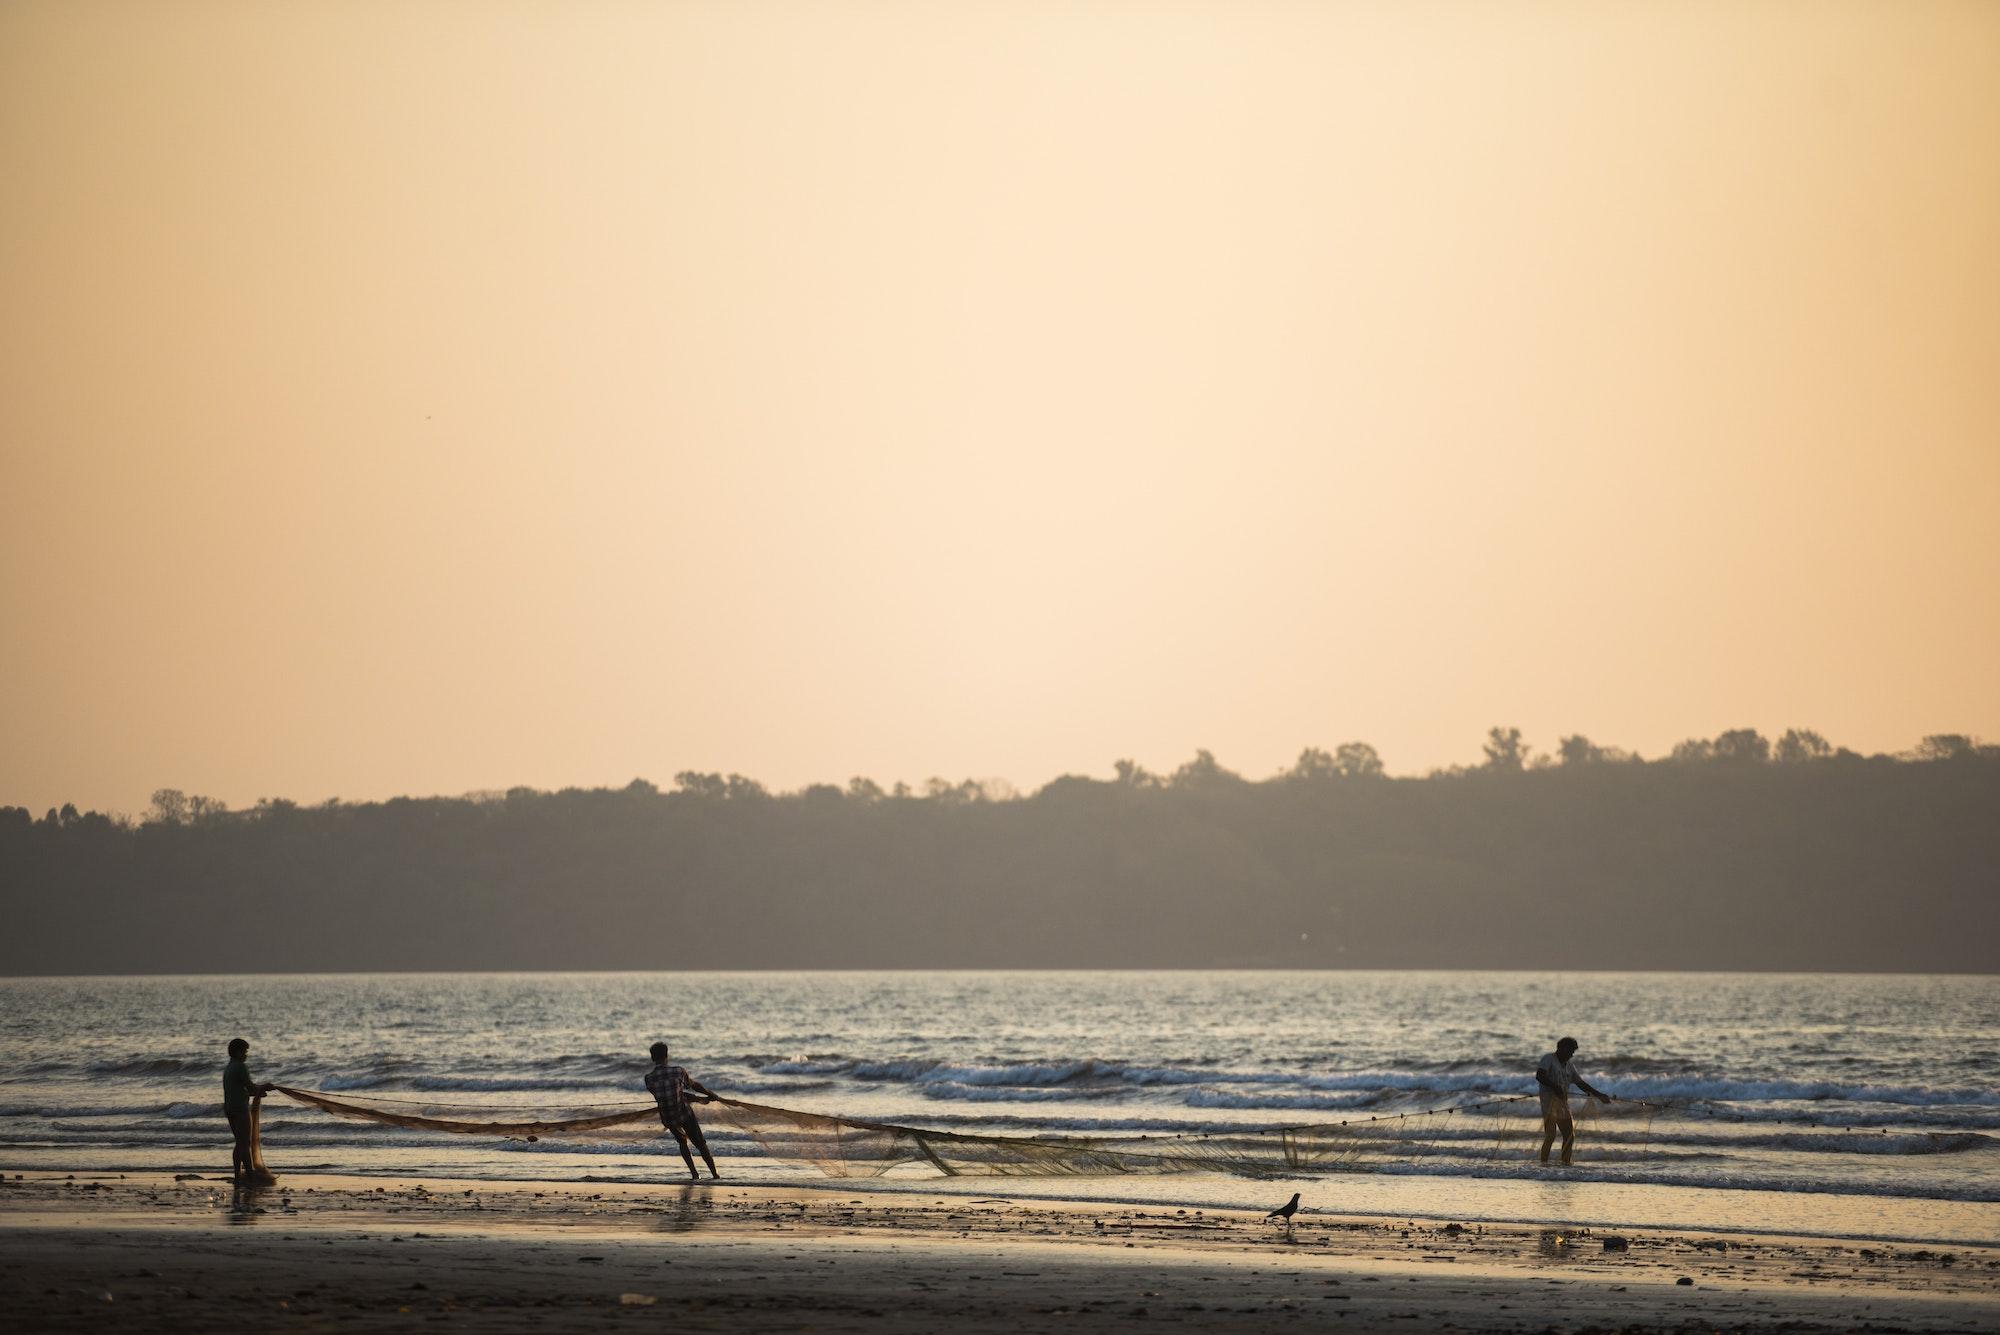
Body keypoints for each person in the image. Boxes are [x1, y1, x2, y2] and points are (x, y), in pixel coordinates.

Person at [645, 1041, 720, 1181]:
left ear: (652, 1058)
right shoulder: (678, 1071)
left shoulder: (648, 1079)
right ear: (667, 1055)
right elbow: (693, 1085)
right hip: (684, 1113)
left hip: (668, 1118)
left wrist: (695, 1098)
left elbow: (665, 1095)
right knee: (700, 1143)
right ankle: (715, 1175)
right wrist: (710, 1094)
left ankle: (694, 1174)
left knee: (682, 1142)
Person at [1535, 1036, 1611, 1165]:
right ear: (1561, 1048)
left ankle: (1565, 1162)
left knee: (1569, 1136)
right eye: (1570, 1051)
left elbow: (1581, 1084)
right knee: (1550, 1135)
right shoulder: (1548, 1059)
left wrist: (1599, 1095)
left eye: (1573, 1052)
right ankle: (1543, 1163)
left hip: (1563, 1104)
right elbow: (1540, 1075)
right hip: (1548, 1103)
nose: (1571, 1055)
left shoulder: (1569, 1065)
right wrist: (1555, 1087)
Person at [223, 1037, 275, 1179]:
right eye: (245, 1052)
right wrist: (264, 1087)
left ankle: (237, 1174)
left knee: (239, 1142)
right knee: (245, 1143)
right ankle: (250, 1174)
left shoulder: (229, 1067)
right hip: (240, 1108)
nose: (246, 1055)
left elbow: (244, 1089)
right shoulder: (240, 1066)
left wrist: (260, 1092)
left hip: (229, 1108)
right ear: (238, 1052)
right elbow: (251, 1087)